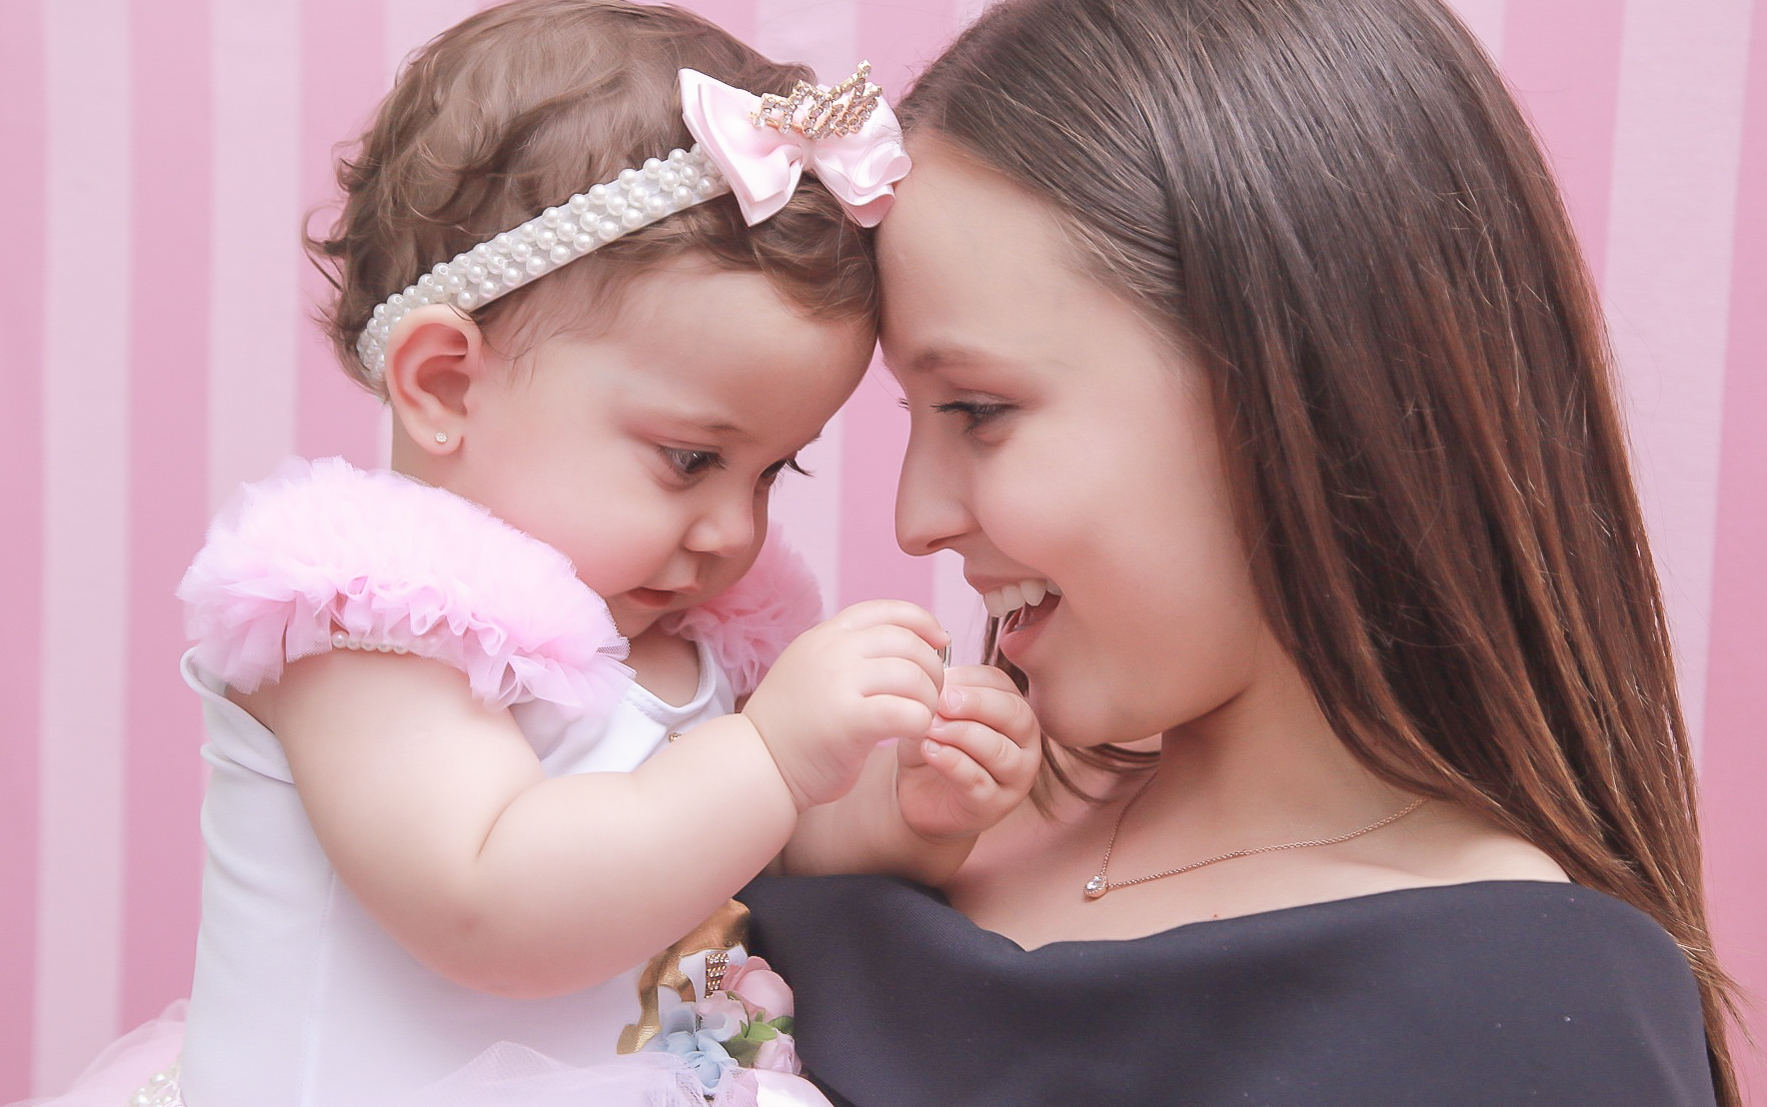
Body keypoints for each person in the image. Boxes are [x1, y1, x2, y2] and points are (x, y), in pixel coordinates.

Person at [16, 4, 1041, 1106]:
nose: (735, 532)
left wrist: (899, 807)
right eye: (691, 458)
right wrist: (777, 758)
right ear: (446, 384)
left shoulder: (690, 636)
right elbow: (492, 903)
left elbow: (748, 849)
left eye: (773, 471)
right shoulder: (371, 633)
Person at [740, 0, 1738, 1103]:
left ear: (1304, 387)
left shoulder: (1523, 1013)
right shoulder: (888, 820)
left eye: (977, 407)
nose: (914, 519)